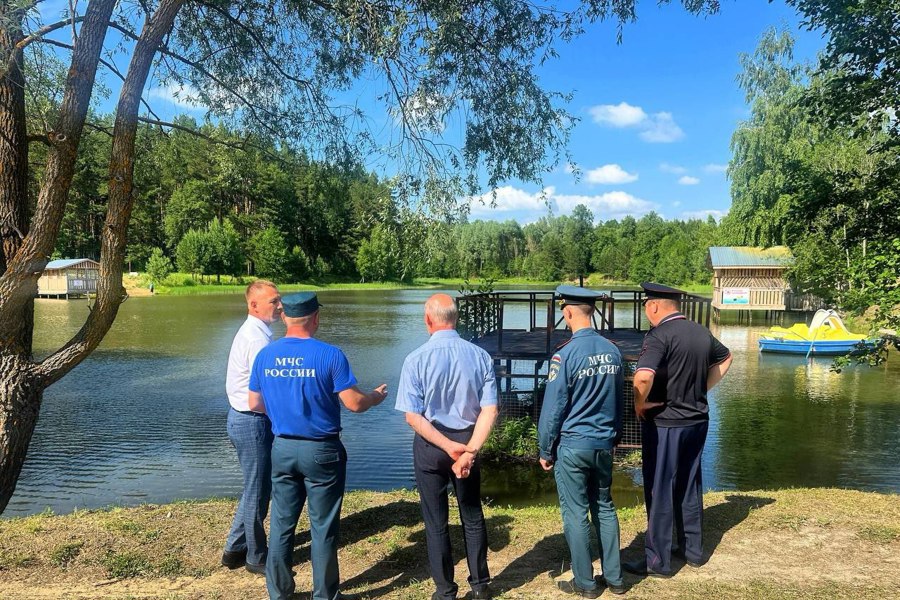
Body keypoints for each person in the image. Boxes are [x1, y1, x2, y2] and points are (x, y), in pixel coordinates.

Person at [248, 292, 387, 600]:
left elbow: (254, 403)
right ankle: (324, 595)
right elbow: (354, 404)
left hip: (282, 447)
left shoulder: (265, 355)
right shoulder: (330, 354)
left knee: (282, 524)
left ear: (284, 317)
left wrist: (285, 412)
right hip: (322, 451)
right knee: (322, 527)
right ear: (315, 318)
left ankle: (279, 593)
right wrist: (376, 396)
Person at [624, 283, 733, 578]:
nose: (646, 311)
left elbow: (643, 377)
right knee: (688, 484)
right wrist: (701, 390)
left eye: (646, 305)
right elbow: (726, 358)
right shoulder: (700, 331)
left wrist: (639, 404)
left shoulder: (659, 335)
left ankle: (657, 562)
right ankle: (693, 551)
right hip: (697, 420)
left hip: (666, 424)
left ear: (655, 306)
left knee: (660, 490)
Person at [395, 293, 499, 600]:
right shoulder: (481, 356)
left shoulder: (415, 359)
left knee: (435, 519)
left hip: (431, 443)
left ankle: (444, 590)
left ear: (428, 319)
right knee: (472, 513)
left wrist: (448, 446)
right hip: (470, 439)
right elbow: (489, 410)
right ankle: (480, 586)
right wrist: (468, 450)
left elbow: (413, 417)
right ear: (456, 319)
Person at [538, 285, 626, 598]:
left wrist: (545, 449)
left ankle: (585, 583)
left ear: (569, 312)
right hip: (604, 443)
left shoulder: (565, 355)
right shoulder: (613, 351)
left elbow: (554, 408)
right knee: (604, 506)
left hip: (573, 446)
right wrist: (614, 435)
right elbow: (619, 400)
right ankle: (615, 579)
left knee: (575, 513)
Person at [222, 279, 282, 574]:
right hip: (252, 421)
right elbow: (261, 396)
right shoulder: (257, 338)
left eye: (279, 300)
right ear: (253, 305)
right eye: (273, 301)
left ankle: (234, 549)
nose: (279, 306)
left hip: (243, 418)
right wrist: (284, 419)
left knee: (254, 488)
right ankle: (256, 557)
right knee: (258, 491)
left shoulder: (255, 332)